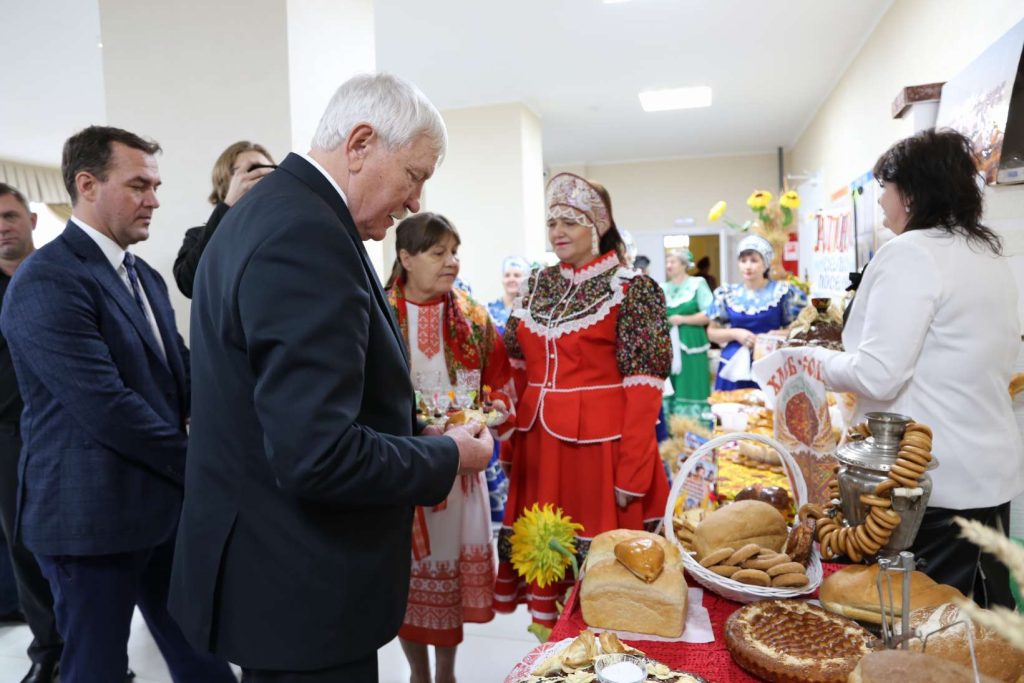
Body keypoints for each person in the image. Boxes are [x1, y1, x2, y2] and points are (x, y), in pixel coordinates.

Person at [168, 73, 494, 683]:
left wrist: (413, 426)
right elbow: (317, 454)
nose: (417, 201)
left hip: (273, 570)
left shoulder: (268, 212)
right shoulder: (306, 235)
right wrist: (445, 455)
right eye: (415, 175)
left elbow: (291, 401)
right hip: (301, 585)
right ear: (362, 143)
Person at [0, 127, 235, 683]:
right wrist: (201, 461)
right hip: (88, 521)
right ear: (87, 184)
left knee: (201, 655)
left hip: (159, 510)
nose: (154, 198)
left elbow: (180, 376)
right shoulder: (45, 280)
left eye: (155, 185)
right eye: (139, 185)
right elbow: (106, 407)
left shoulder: (145, 276)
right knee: (96, 668)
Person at [804, 129, 1023, 607]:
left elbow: (879, 374)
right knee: (981, 627)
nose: (880, 200)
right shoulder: (985, 253)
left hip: (923, 484)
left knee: (918, 634)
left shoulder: (911, 253)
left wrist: (809, 362)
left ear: (913, 191)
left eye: (886, 185)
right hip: (987, 474)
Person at [494, 173, 672, 627]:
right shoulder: (536, 284)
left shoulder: (633, 289)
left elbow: (645, 387)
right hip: (540, 450)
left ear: (598, 225)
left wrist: (633, 471)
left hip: (601, 453)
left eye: (570, 222)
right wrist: (511, 442)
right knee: (546, 559)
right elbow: (515, 369)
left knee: (606, 574)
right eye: (552, 221)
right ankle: (555, 658)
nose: (558, 231)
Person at [385, 212, 516, 683]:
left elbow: (500, 387)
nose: (452, 263)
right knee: (407, 580)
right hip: (399, 470)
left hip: (460, 473)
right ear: (405, 257)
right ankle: (417, 671)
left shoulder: (475, 317)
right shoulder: (377, 314)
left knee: (452, 578)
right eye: (438, 253)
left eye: (454, 252)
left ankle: (446, 673)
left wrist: (486, 417)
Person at [0, 184, 63, 683]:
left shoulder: (63, 276)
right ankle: (48, 651)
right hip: (6, 440)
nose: (2, 226)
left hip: (66, 432)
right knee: (23, 549)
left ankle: (95, 650)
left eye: (9, 215)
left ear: (33, 220)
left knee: (78, 551)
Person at [172, 140, 275, 298]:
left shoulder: (283, 231)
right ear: (225, 181)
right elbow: (189, 284)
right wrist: (229, 205)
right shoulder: (198, 236)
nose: (260, 176)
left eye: (268, 170)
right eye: (251, 170)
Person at [706, 235, 799, 390]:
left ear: (765, 263)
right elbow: (712, 332)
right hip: (733, 366)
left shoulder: (782, 292)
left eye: (754, 260)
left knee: (767, 411)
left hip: (770, 362)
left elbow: (798, 330)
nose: (748, 266)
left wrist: (773, 336)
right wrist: (736, 333)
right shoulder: (727, 294)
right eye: (743, 261)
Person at [662, 249, 713, 417]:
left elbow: (709, 314)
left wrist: (684, 320)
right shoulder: (662, 287)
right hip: (667, 345)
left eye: (673, 261)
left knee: (691, 383)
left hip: (691, 343)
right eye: (667, 261)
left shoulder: (697, 283)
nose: (669, 265)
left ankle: (695, 429)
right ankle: (670, 431)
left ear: (684, 264)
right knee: (669, 386)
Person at [486, 256, 529, 336]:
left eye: (517, 275)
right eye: (507, 275)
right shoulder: (489, 310)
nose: (511, 279)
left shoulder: (530, 310)